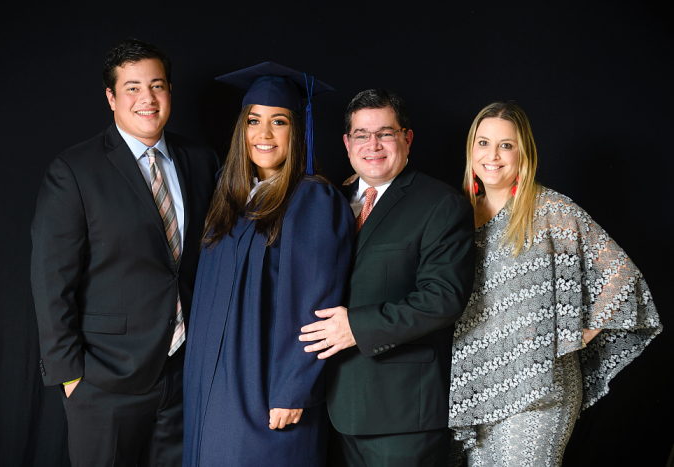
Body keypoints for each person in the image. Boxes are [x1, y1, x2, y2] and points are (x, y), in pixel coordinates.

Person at [30, 39, 219, 467]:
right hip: (104, 380)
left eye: (157, 85)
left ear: (169, 92)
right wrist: (71, 376)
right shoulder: (74, 170)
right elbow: (51, 280)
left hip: (184, 373)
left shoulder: (201, 161)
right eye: (132, 88)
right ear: (111, 98)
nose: (147, 99)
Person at [448, 101, 663, 466]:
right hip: (478, 384)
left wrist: (577, 334)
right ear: (471, 149)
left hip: (541, 386)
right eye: (483, 143)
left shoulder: (550, 210)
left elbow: (621, 275)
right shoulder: (454, 213)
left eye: (506, 145)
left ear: (523, 153)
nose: (492, 155)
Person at [182, 62, 355, 467]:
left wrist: (294, 389)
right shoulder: (229, 195)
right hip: (210, 383)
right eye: (253, 121)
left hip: (264, 388)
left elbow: (316, 301)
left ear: (297, 131)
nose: (264, 134)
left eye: (279, 122)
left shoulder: (311, 200)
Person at [299, 89, 476, 467]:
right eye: (362, 135)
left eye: (385, 133)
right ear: (347, 143)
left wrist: (356, 327)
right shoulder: (329, 200)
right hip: (331, 409)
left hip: (403, 414)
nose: (373, 145)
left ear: (407, 138)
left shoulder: (441, 204)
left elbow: (443, 298)